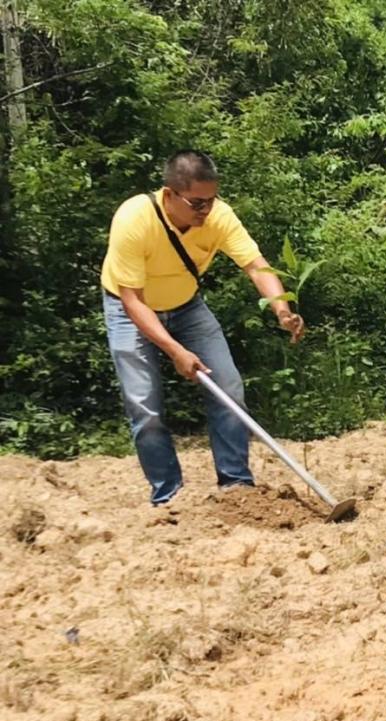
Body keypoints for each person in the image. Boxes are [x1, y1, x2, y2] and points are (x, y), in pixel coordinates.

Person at [100, 150, 305, 505]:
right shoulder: (134, 219)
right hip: (128, 309)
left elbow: (255, 265)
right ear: (169, 194)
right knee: (144, 406)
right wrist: (176, 351)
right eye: (197, 203)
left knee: (228, 386)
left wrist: (282, 310)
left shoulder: (219, 216)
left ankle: (236, 487)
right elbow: (132, 300)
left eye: (211, 201)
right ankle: (168, 497)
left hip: (186, 305)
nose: (206, 211)